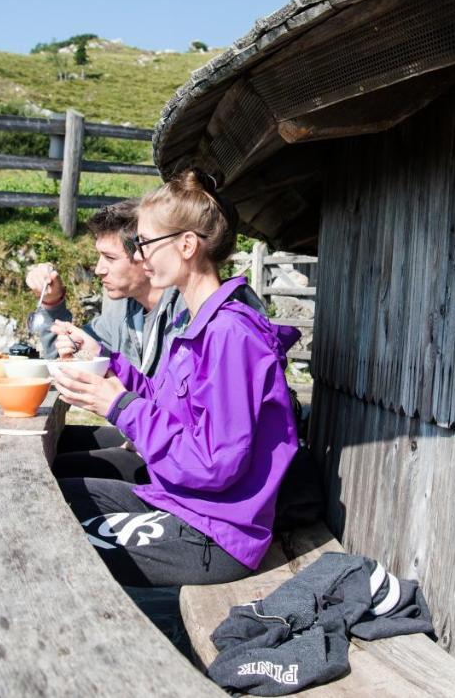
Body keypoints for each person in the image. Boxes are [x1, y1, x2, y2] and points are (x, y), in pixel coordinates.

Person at [50, 169, 300, 587]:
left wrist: (118, 405)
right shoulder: (202, 323)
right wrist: (107, 362)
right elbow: (170, 406)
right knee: (47, 499)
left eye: (144, 243)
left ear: (187, 245)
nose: (141, 255)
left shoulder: (229, 336)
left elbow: (215, 463)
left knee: (54, 544)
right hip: (176, 500)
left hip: (213, 532)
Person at [25, 200, 192, 376]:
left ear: (145, 253)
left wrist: (101, 357)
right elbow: (65, 360)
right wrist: (53, 302)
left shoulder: (187, 313)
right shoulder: (122, 311)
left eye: (110, 258)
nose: (98, 270)